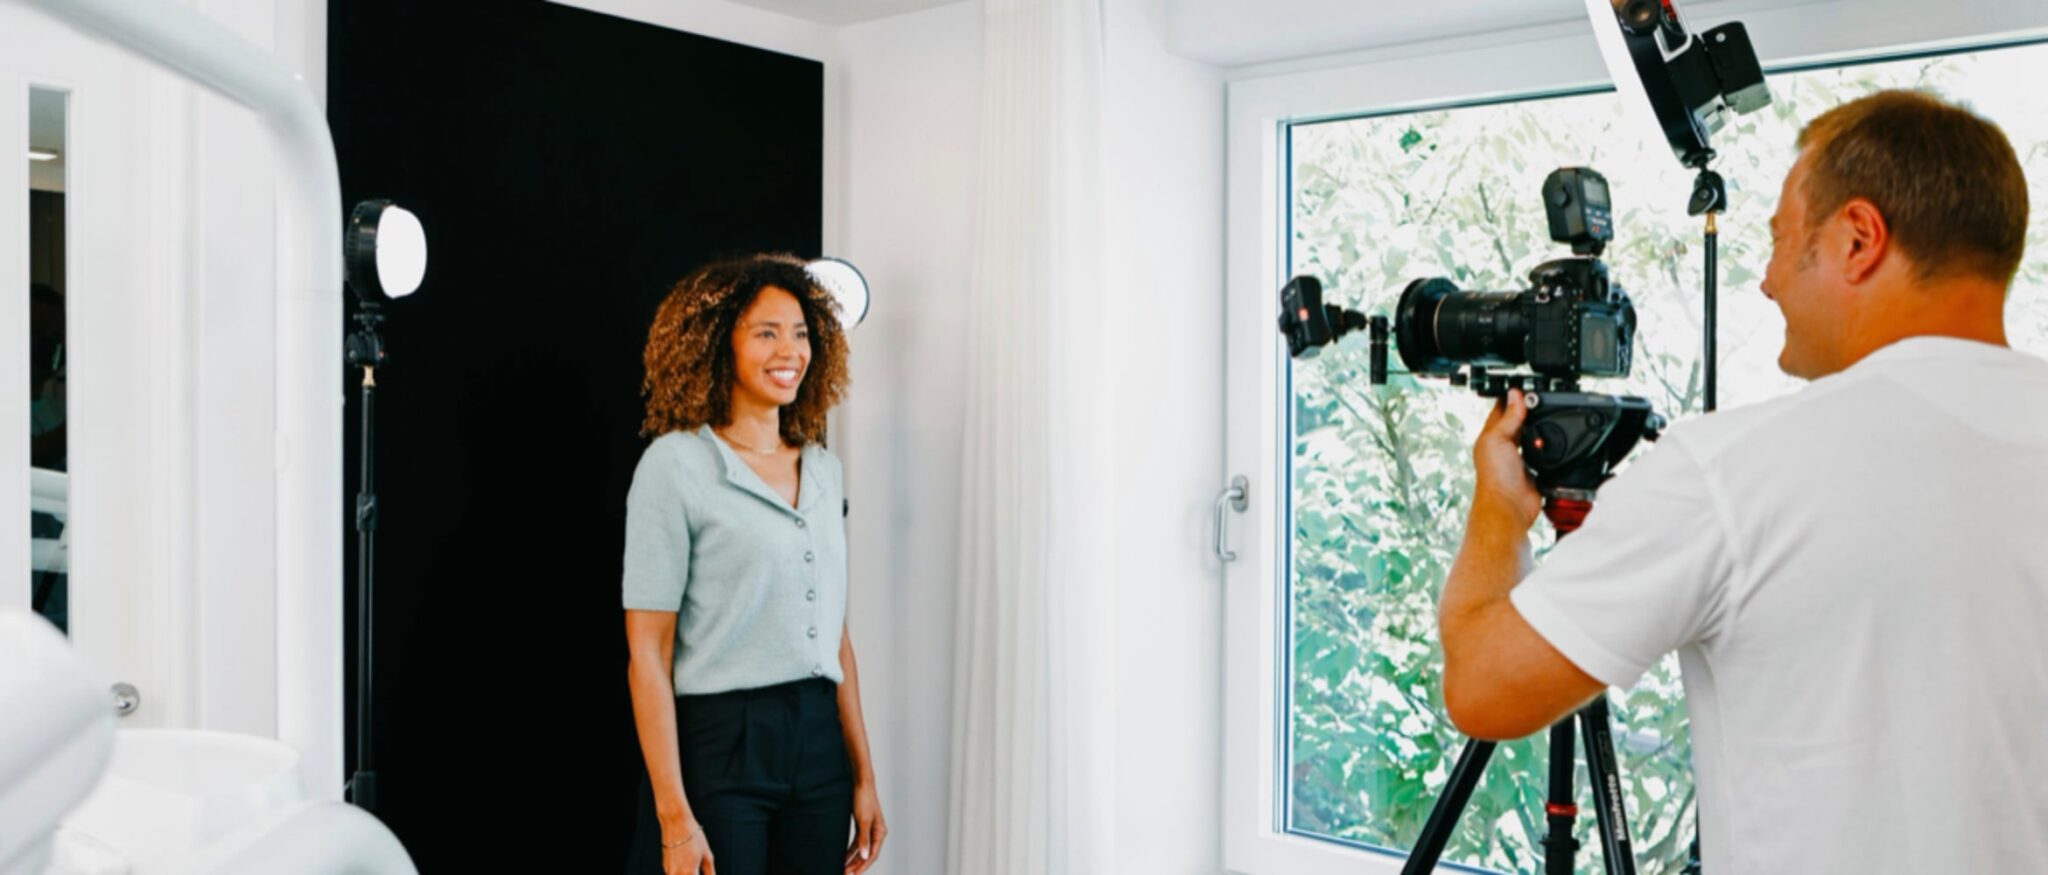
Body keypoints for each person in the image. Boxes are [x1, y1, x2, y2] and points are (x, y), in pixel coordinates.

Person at [1436, 89, 2047, 872]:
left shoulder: (1733, 472)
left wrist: (1498, 509)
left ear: (1858, 239)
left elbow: (1484, 684)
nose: (1764, 282)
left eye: (1781, 241)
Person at [623, 254, 885, 875]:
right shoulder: (675, 466)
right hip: (723, 744)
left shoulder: (823, 469)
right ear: (721, 344)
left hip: (819, 746)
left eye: (799, 333)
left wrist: (863, 777)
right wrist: (673, 816)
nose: (788, 349)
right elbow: (647, 657)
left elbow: (836, 637)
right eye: (766, 332)